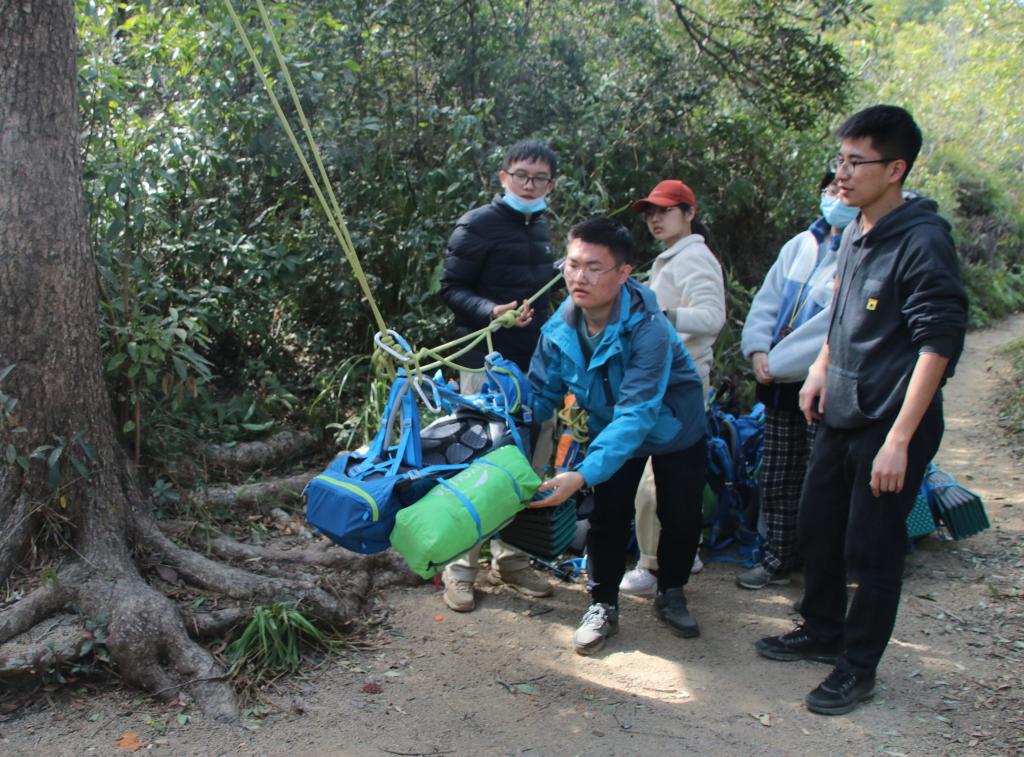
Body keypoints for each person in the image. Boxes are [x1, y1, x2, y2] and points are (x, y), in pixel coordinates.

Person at [755, 105, 967, 715]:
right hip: (840, 410)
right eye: (840, 160)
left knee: (871, 548)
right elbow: (843, 312)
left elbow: (938, 344)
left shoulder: (923, 242)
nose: (841, 175)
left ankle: (858, 665)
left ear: (895, 169)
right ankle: (823, 628)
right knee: (817, 526)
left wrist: (899, 440)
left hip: (891, 421)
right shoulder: (855, 231)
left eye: (856, 162)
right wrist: (822, 367)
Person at [528, 217, 707, 654]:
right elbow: (539, 396)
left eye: (594, 268)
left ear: (624, 273)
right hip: (612, 430)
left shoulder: (649, 329)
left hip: (674, 427)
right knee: (607, 517)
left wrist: (581, 474)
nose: (579, 277)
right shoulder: (560, 327)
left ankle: (672, 591)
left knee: (680, 516)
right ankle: (602, 604)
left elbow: (638, 413)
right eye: (572, 265)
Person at [438, 140, 559, 612]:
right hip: (482, 360)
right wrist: (491, 310)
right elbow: (451, 288)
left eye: (540, 178)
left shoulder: (542, 228)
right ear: (503, 176)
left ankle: (512, 560)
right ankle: (460, 569)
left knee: (532, 460)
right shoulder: (477, 224)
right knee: (478, 459)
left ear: (550, 185)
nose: (530, 185)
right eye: (522, 175)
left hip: (536, 363)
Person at [735, 171, 857, 590]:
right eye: (829, 188)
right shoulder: (801, 244)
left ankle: (822, 569)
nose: (835, 195)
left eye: (841, 187)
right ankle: (778, 558)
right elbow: (766, 302)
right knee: (777, 475)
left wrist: (776, 361)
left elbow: (830, 328)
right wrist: (756, 349)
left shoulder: (861, 250)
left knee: (822, 480)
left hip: (824, 385)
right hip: (780, 386)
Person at [619, 180, 725, 596]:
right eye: (650, 213)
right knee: (675, 476)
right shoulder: (673, 257)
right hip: (667, 382)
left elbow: (712, 317)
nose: (655, 219)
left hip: (679, 384)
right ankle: (682, 552)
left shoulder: (694, 257)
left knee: (656, 478)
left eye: (665, 210)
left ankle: (652, 564)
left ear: (689, 213)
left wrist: (661, 316)